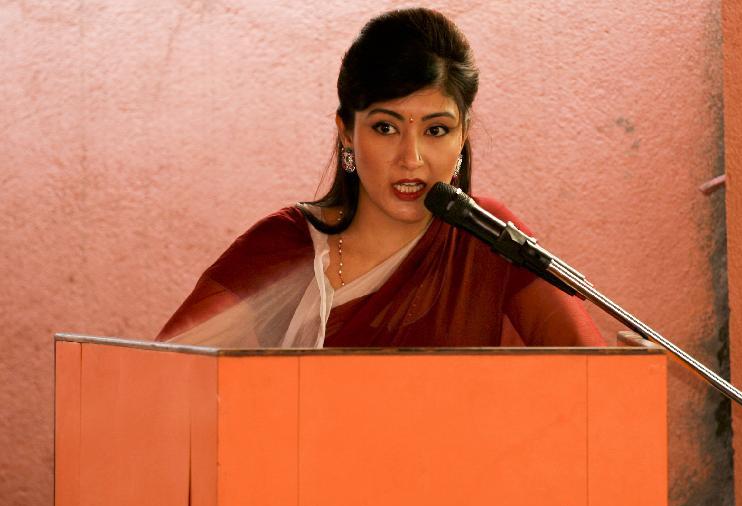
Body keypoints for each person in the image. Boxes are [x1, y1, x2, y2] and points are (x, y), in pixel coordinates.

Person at [157, 8, 603, 348]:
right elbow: (160, 378)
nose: (411, 159)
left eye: (436, 130)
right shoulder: (283, 247)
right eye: (385, 128)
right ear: (347, 133)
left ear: (463, 133)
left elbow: (598, 383)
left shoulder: (492, 243)